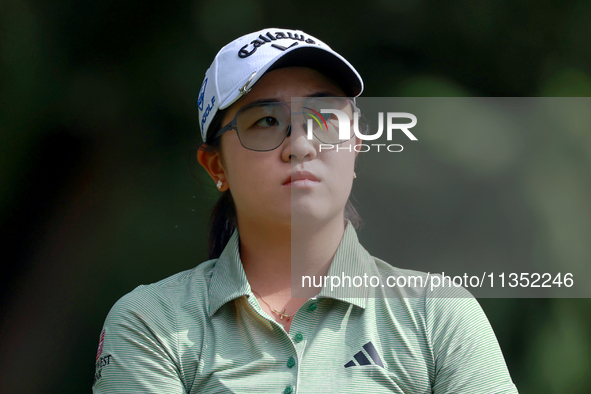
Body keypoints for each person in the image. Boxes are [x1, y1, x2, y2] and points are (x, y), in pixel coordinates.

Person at [92, 28, 518, 393]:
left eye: (325, 117)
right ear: (216, 166)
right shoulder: (152, 322)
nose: (300, 145)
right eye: (266, 121)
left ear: (356, 146)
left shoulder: (437, 312)